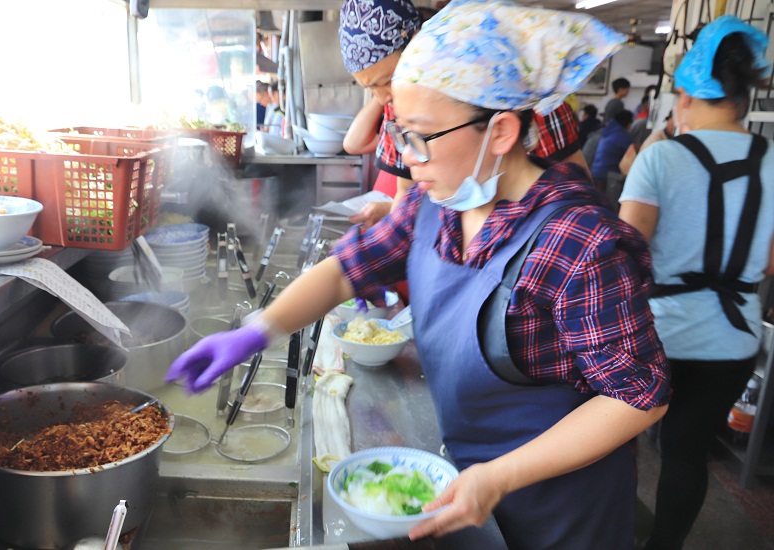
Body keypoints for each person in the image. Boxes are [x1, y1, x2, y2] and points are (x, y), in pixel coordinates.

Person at [168, 1, 670, 547]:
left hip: (564, 513)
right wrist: (256, 330)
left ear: (500, 131)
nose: (408, 159)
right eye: (401, 133)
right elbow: (344, 272)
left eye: (421, 137)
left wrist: (500, 477)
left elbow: (638, 394)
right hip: (469, 485)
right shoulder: (436, 206)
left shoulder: (579, 240)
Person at [618, 16, 774, 550]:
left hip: (657, 334)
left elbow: (627, 248)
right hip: (732, 340)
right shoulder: (773, 161)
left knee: (619, 440)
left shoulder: (659, 157)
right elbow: (770, 262)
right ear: (744, 96)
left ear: (684, 94)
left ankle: (605, 527)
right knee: (686, 450)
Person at [339, 0, 422, 228]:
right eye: (371, 89)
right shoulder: (395, 111)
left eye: (386, 82)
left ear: (415, 43)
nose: (383, 97)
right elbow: (405, 192)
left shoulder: (451, 98)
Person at [591, 109, 634, 189]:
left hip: (596, 172)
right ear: (628, 123)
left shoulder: (609, 131)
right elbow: (633, 156)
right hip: (606, 176)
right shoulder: (623, 136)